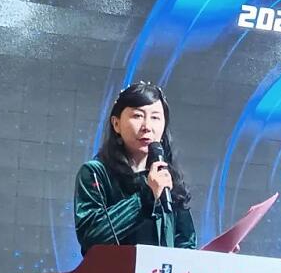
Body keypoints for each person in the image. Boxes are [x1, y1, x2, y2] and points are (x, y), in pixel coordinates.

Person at [74, 81, 196, 256]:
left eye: (155, 117)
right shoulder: (95, 172)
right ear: (116, 124)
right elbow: (90, 236)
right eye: (138, 116)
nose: (147, 126)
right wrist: (146, 195)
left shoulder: (167, 176)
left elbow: (185, 244)